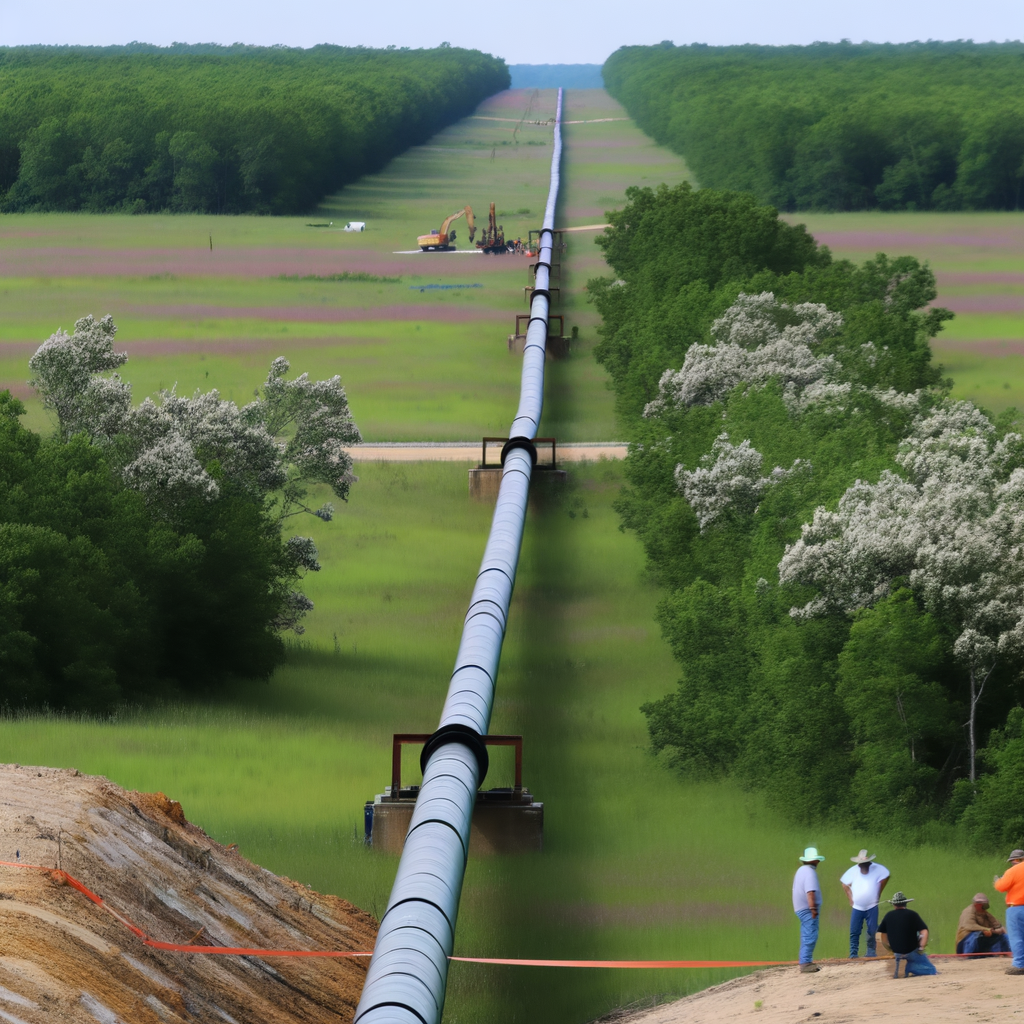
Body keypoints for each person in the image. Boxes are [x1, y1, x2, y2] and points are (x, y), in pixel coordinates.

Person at [840, 849, 890, 958]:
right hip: (857, 906)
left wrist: (879, 891)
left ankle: (871, 952)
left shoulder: (877, 868)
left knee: (872, 929)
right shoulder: (853, 871)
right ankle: (853, 953)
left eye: (866, 864)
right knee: (854, 930)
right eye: (862, 864)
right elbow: (844, 884)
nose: (864, 866)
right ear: (859, 865)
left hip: (872, 905)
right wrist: (850, 899)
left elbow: (886, 876)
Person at [877, 891, 937, 977]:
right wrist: (921, 947)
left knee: (900, 957)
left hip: (896, 952)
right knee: (932, 970)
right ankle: (909, 967)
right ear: (905, 903)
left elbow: (883, 935)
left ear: (894, 905)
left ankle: (900, 965)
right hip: (911, 951)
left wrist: (890, 948)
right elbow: (924, 931)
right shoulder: (913, 915)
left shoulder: (888, 916)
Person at [792, 847, 825, 973]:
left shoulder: (801, 870)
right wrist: (813, 908)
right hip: (807, 908)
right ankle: (805, 963)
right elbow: (810, 892)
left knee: (806, 933)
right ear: (815, 861)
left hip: (800, 907)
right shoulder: (810, 873)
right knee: (810, 934)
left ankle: (805, 961)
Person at [994, 848, 1024, 974]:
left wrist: (997, 881)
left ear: (1016, 860)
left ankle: (1019, 965)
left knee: (1016, 937)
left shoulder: (1013, 871)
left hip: (1016, 908)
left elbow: (1001, 887)